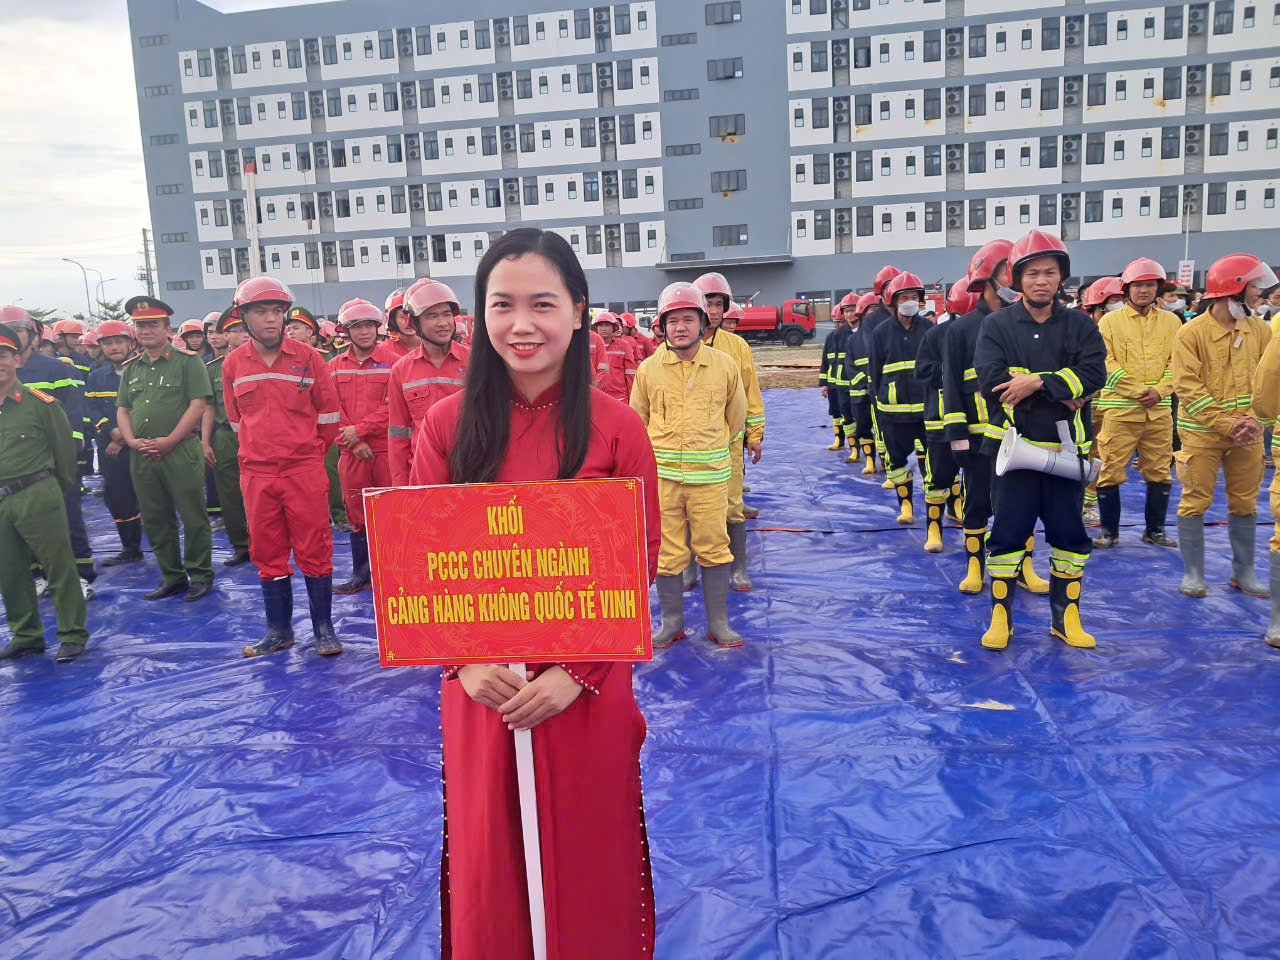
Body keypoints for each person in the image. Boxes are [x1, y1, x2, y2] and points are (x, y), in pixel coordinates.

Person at [408, 228, 658, 959]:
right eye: (502, 304)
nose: (522, 324)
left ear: (578, 311)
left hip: (588, 686)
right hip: (483, 686)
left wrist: (576, 673)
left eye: (543, 304)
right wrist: (463, 663)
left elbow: (638, 563)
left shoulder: (617, 428)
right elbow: (421, 560)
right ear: (479, 315)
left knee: (588, 852)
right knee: (492, 858)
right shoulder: (446, 426)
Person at [974, 230, 1106, 650]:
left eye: (1049, 272)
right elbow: (991, 381)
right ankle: (1001, 618)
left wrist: (1035, 382)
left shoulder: (1081, 325)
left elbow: (1094, 374)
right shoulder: (996, 325)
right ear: (1018, 279)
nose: (1041, 280)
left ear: (1061, 277)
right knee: (1007, 536)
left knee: (1069, 537)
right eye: (1032, 273)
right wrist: (1062, 388)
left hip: (1066, 453)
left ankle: (1065, 619)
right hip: (1014, 454)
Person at [223, 276, 343, 657]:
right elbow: (236, 420)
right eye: (261, 312)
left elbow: (329, 415)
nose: (271, 319)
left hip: (303, 470)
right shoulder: (233, 364)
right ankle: (279, 631)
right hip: (257, 474)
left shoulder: (309, 359)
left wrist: (307, 453)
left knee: (315, 547)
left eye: (277, 311)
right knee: (266, 550)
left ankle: (323, 628)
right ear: (243, 317)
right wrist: (262, 451)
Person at [632, 280, 746, 647]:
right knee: (667, 555)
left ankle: (718, 624)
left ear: (702, 323)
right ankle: (672, 623)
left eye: (688, 319)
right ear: (662, 326)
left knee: (714, 549)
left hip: (710, 481)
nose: (680, 328)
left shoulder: (724, 366)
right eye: (672, 321)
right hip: (663, 482)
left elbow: (736, 418)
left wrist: (711, 450)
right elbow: (637, 421)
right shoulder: (649, 370)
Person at [1170, 253, 1276, 598]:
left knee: (1245, 503)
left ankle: (1243, 572)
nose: (1259, 295)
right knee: (1195, 500)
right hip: (1201, 435)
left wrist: (1257, 421)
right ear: (1234, 289)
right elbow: (1187, 386)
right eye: (1254, 287)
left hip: (1248, 436)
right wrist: (1224, 423)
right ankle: (1194, 574)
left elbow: (1269, 381)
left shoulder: (1259, 330)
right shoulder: (1190, 333)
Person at [0, 321, 90, 663]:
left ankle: (72, 634)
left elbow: (65, 457)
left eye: (3, 354)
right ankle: (26, 635)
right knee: (10, 570)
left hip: (37, 492)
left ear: (18, 360)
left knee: (58, 566)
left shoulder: (42, 404)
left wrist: (53, 491)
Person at [115, 296, 215, 602]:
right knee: (156, 518)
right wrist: (131, 441)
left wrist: (170, 440)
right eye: (140, 325)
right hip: (142, 454)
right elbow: (123, 409)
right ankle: (172, 576)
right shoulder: (131, 368)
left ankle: (200, 574)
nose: (146, 331)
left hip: (180, 450)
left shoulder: (188, 362)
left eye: (153, 325)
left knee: (193, 516)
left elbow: (198, 405)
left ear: (167, 328)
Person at [5, 307, 98, 599]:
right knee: (24, 527)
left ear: (33, 334)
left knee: (68, 519)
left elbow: (73, 416)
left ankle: (81, 576)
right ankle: (39, 575)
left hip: (53, 464)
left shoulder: (57, 369)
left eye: (18, 330)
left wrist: (68, 461)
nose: (12, 337)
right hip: (16, 467)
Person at [1092, 258, 1182, 550]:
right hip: (1120, 411)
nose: (1144, 290)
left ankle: (1155, 531)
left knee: (1160, 471)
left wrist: (1161, 390)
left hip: (1158, 412)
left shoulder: (1172, 322)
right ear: (1127, 289)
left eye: (1150, 285)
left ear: (1158, 288)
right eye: (1138, 285)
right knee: (1109, 470)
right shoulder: (1109, 322)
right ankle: (1109, 533)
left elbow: (1178, 362)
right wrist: (1138, 390)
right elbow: (1105, 362)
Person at [694, 271, 765, 591]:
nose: (712, 311)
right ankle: (689, 566)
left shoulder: (737, 346)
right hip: (691, 445)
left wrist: (755, 434)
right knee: (690, 507)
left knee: (732, 505)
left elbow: (751, 393)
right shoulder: (680, 346)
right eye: (707, 303)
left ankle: (738, 567)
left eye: (718, 304)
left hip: (729, 443)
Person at [329, 298, 399, 594]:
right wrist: (353, 439)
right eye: (357, 327)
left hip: (385, 450)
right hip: (351, 452)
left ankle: (394, 573)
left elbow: (394, 406)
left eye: (370, 326)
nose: (365, 332)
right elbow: (329, 408)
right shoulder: (333, 367)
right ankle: (362, 573)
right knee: (357, 513)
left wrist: (360, 431)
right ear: (346, 331)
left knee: (390, 512)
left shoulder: (394, 363)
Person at [387, 278, 470, 485]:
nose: (443, 323)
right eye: (432, 316)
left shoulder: (476, 362)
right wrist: (400, 486)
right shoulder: (401, 370)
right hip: (424, 473)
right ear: (414, 323)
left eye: (447, 314)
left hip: (470, 471)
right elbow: (398, 433)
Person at [867, 271, 933, 525]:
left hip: (927, 411)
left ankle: (943, 506)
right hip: (893, 413)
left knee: (934, 460)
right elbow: (875, 373)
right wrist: (880, 406)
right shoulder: (880, 332)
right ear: (894, 301)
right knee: (896, 461)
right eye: (904, 297)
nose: (909, 302)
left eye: (913, 297)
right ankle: (906, 505)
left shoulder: (929, 329)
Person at [914, 280, 975, 552]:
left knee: (976, 479)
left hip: (979, 423)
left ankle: (971, 525)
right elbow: (922, 372)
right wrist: (950, 371)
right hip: (940, 420)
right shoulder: (936, 334)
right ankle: (934, 527)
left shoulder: (991, 331)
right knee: (939, 476)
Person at [84, 319, 144, 566]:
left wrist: (124, 438)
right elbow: (91, 409)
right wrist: (111, 431)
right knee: (118, 497)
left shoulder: (145, 371)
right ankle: (131, 548)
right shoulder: (96, 377)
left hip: (143, 446)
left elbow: (147, 409)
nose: (114, 347)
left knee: (154, 497)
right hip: (110, 447)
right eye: (108, 343)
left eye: (119, 341)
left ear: (131, 343)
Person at [285, 305, 350, 531]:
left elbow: (331, 398)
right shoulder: (282, 361)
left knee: (330, 471)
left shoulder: (323, 358)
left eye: (297, 328)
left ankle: (338, 515)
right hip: (295, 429)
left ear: (311, 333)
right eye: (289, 329)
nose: (291, 332)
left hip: (322, 426)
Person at [200, 306, 252, 567]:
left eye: (245, 329)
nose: (243, 334)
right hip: (225, 437)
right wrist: (205, 442)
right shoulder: (213, 369)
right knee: (230, 495)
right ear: (225, 335)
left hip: (258, 436)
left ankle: (268, 542)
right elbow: (209, 407)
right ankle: (241, 545)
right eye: (236, 330)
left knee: (262, 492)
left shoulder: (263, 362)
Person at [1078, 277, 1126, 526]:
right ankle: (1074, 502)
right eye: (1114, 301)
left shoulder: (1125, 333)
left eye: (1121, 300)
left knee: (1101, 457)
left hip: (1112, 405)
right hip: (1083, 405)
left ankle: (1088, 504)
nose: (1119, 306)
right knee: (1078, 455)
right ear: (1097, 306)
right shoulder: (1080, 333)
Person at [846, 292, 884, 474]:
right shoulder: (853, 340)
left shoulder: (886, 336)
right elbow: (850, 367)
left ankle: (886, 462)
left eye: (878, 309)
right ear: (862, 313)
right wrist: (866, 385)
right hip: (861, 395)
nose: (875, 314)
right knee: (863, 427)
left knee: (884, 430)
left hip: (881, 393)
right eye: (872, 310)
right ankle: (870, 461)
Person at [818, 299, 849, 450]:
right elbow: (825, 362)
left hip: (849, 385)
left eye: (842, 322)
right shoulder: (830, 338)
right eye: (837, 322)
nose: (840, 325)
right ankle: (839, 440)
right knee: (835, 413)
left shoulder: (854, 337)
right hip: (833, 385)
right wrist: (824, 384)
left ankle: (856, 443)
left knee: (850, 415)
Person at [592, 311, 636, 401]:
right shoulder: (591, 346)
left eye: (607, 325)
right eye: (600, 325)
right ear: (596, 328)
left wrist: (632, 398)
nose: (603, 329)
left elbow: (630, 374)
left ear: (614, 327)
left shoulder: (624, 345)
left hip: (620, 397)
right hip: (598, 396)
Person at [382, 287, 421, 360]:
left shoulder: (436, 348)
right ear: (393, 320)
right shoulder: (384, 350)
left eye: (413, 316)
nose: (408, 321)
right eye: (403, 317)